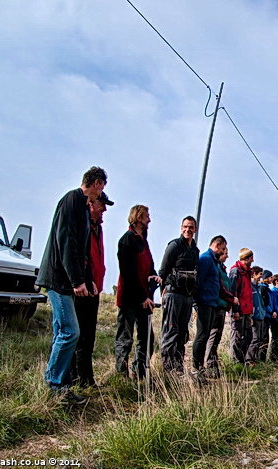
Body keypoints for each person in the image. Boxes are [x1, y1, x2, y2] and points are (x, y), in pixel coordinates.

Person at [37, 166, 107, 404]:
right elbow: (66, 242)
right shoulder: (71, 201)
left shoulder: (82, 208)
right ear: (96, 183)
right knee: (70, 332)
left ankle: (62, 387)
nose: (100, 195)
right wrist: (77, 280)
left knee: (62, 332)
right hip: (58, 279)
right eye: (102, 188)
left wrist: (88, 280)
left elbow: (82, 251)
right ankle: (54, 384)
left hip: (67, 280)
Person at [71, 190, 112, 389]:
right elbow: (79, 257)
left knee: (88, 337)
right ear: (91, 204)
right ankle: (73, 378)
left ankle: (86, 379)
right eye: (101, 204)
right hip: (81, 289)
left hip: (94, 290)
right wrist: (82, 281)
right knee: (78, 335)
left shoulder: (98, 228)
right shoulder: (83, 225)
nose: (104, 209)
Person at [114, 204, 160, 380]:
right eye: (147, 216)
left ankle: (140, 371)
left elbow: (149, 265)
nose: (150, 219)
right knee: (125, 338)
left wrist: (154, 276)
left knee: (147, 338)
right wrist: (141, 297)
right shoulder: (127, 240)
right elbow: (128, 273)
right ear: (139, 218)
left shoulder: (143, 240)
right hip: (129, 299)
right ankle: (121, 374)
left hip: (144, 298)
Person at [158, 216, 199, 374]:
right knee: (171, 331)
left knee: (183, 333)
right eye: (185, 227)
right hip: (173, 294)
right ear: (181, 228)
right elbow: (163, 270)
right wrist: (163, 291)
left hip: (187, 297)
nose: (188, 230)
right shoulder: (174, 245)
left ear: (195, 229)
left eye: (191, 227)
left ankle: (178, 367)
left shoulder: (195, 250)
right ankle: (167, 369)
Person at [192, 235, 227, 384]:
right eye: (223, 248)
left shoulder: (214, 261)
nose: (224, 251)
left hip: (212, 304)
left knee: (206, 336)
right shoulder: (206, 259)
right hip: (204, 303)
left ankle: (201, 369)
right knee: (201, 337)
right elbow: (198, 281)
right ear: (217, 245)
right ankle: (197, 368)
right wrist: (196, 303)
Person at [204, 247, 235, 378]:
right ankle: (209, 365)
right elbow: (220, 287)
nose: (227, 256)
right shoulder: (214, 265)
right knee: (213, 335)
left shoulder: (222, 268)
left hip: (222, 305)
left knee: (217, 336)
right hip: (215, 304)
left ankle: (213, 363)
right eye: (225, 253)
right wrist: (231, 298)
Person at [228, 248, 255, 365]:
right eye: (251, 258)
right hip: (239, 309)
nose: (253, 260)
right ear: (247, 258)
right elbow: (233, 291)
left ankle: (242, 359)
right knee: (237, 337)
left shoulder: (247, 272)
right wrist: (235, 310)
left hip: (247, 309)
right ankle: (235, 362)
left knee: (248, 336)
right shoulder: (236, 271)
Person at [246, 265, 268, 365]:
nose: (261, 276)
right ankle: (249, 359)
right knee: (254, 339)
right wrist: (250, 315)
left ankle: (254, 359)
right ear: (254, 274)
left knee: (259, 339)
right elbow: (250, 301)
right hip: (254, 316)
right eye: (260, 274)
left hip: (260, 315)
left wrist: (262, 311)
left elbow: (261, 302)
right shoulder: (250, 287)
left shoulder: (258, 287)